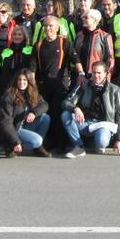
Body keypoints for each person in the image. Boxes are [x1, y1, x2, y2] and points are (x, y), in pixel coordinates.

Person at [34, 15, 84, 151]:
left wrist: (81, 73)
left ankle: (62, 144)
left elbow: (75, 58)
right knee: (47, 114)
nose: (47, 28)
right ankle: (48, 143)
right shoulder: (39, 45)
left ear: (57, 27)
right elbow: (33, 68)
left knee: (59, 113)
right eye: (45, 26)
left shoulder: (64, 42)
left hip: (61, 85)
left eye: (50, 26)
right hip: (44, 86)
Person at [60, 61, 120, 158]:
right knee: (65, 115)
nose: (96, 76)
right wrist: (76, 108)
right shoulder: (83, 86)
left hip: (104, 124)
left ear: (106, 74)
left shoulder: (115, 90)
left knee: (101, 142)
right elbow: (66, 102)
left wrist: (119, 140)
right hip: (85, 123)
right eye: (94, 72)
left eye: (99, 73)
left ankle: (99, 144)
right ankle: (79, 147)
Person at [0, 69, 51, 158]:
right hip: (14, 129)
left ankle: (37, 148)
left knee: (45, 118)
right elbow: (6, 123)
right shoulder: (8, 96)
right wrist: (15, 141)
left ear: (29, 81)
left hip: (25, 125)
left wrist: (34, 113)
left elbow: (45, 105)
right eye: (19, 80)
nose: (21, 82)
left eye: (25, 80)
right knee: (37, 140)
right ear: (15, 81)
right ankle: (12, 147)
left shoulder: (32, 92)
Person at [74, 9, 115, 80]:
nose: (83, 19)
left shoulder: (105, 36)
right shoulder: (79, 35)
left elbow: (110, 58)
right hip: (79, 75)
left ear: (95, 20)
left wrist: (107, 75)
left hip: (96, 76)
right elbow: (74, 55)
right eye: (83, 17)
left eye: (86, 17)